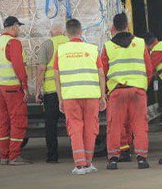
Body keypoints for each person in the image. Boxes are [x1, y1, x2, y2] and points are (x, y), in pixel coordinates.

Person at [51, 18, 107, 175]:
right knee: (91, 128)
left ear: (66, 33)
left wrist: (60, 98)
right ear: (81, 32)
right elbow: (101, 74)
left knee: (75, 128)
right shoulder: (92, 49)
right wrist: (102, 96)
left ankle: (80, 164)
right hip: (91, 96)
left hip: (71, 97)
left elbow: (57, 76)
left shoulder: (61, 51)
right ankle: (88, 163)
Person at [101, 13, 153, 170]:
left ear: (114, 27)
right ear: (127, 25)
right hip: (137, 91)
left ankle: (113, 160)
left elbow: (103, 72)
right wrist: (142, 85)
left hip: (117, 92)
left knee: (114, 126)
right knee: (140, 125)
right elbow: (149, 69)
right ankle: (142, 158)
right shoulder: (140, 43)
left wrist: (105, 92)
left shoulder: (108, 46)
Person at [0, 16, 30, 165]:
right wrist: (25, 87)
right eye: (18, 27)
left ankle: (4, 156)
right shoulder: (13, 43)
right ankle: (14, 156)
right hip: (13, 89)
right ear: (13, 26)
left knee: (2, 122)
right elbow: (18, 67)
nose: (19, 30)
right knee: (18, 121)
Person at [35, 25, 68, 163]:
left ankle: (52, 156)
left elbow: (42, 68)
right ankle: (81, 154)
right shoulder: (70, 43)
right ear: (64, 33)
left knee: (50, 126)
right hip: (69, 92)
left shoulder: (47, 45)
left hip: (52, 93)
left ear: (50, 33)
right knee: (74, 124)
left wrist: (37, 91)